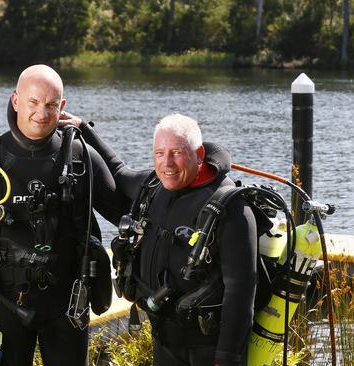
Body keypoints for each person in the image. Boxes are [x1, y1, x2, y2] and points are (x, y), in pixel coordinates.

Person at [0, 64, 125, 365]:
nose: (42, 112)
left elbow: (125, 213)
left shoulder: (80, 158)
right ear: (15, 101)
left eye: (51, 105)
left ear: (61, 106)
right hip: (2, 301)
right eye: (33, 102)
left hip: (67, 305)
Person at [65, 113, 257, 366]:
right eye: (159, 153)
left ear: (198, 154)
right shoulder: (155, 187)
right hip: (165, 341)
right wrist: (83, 129)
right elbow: (119, 171)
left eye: (176, 152)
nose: (167, 163)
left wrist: (227, 359)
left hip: (208, 349)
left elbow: (241, 293)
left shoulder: (231, 208)